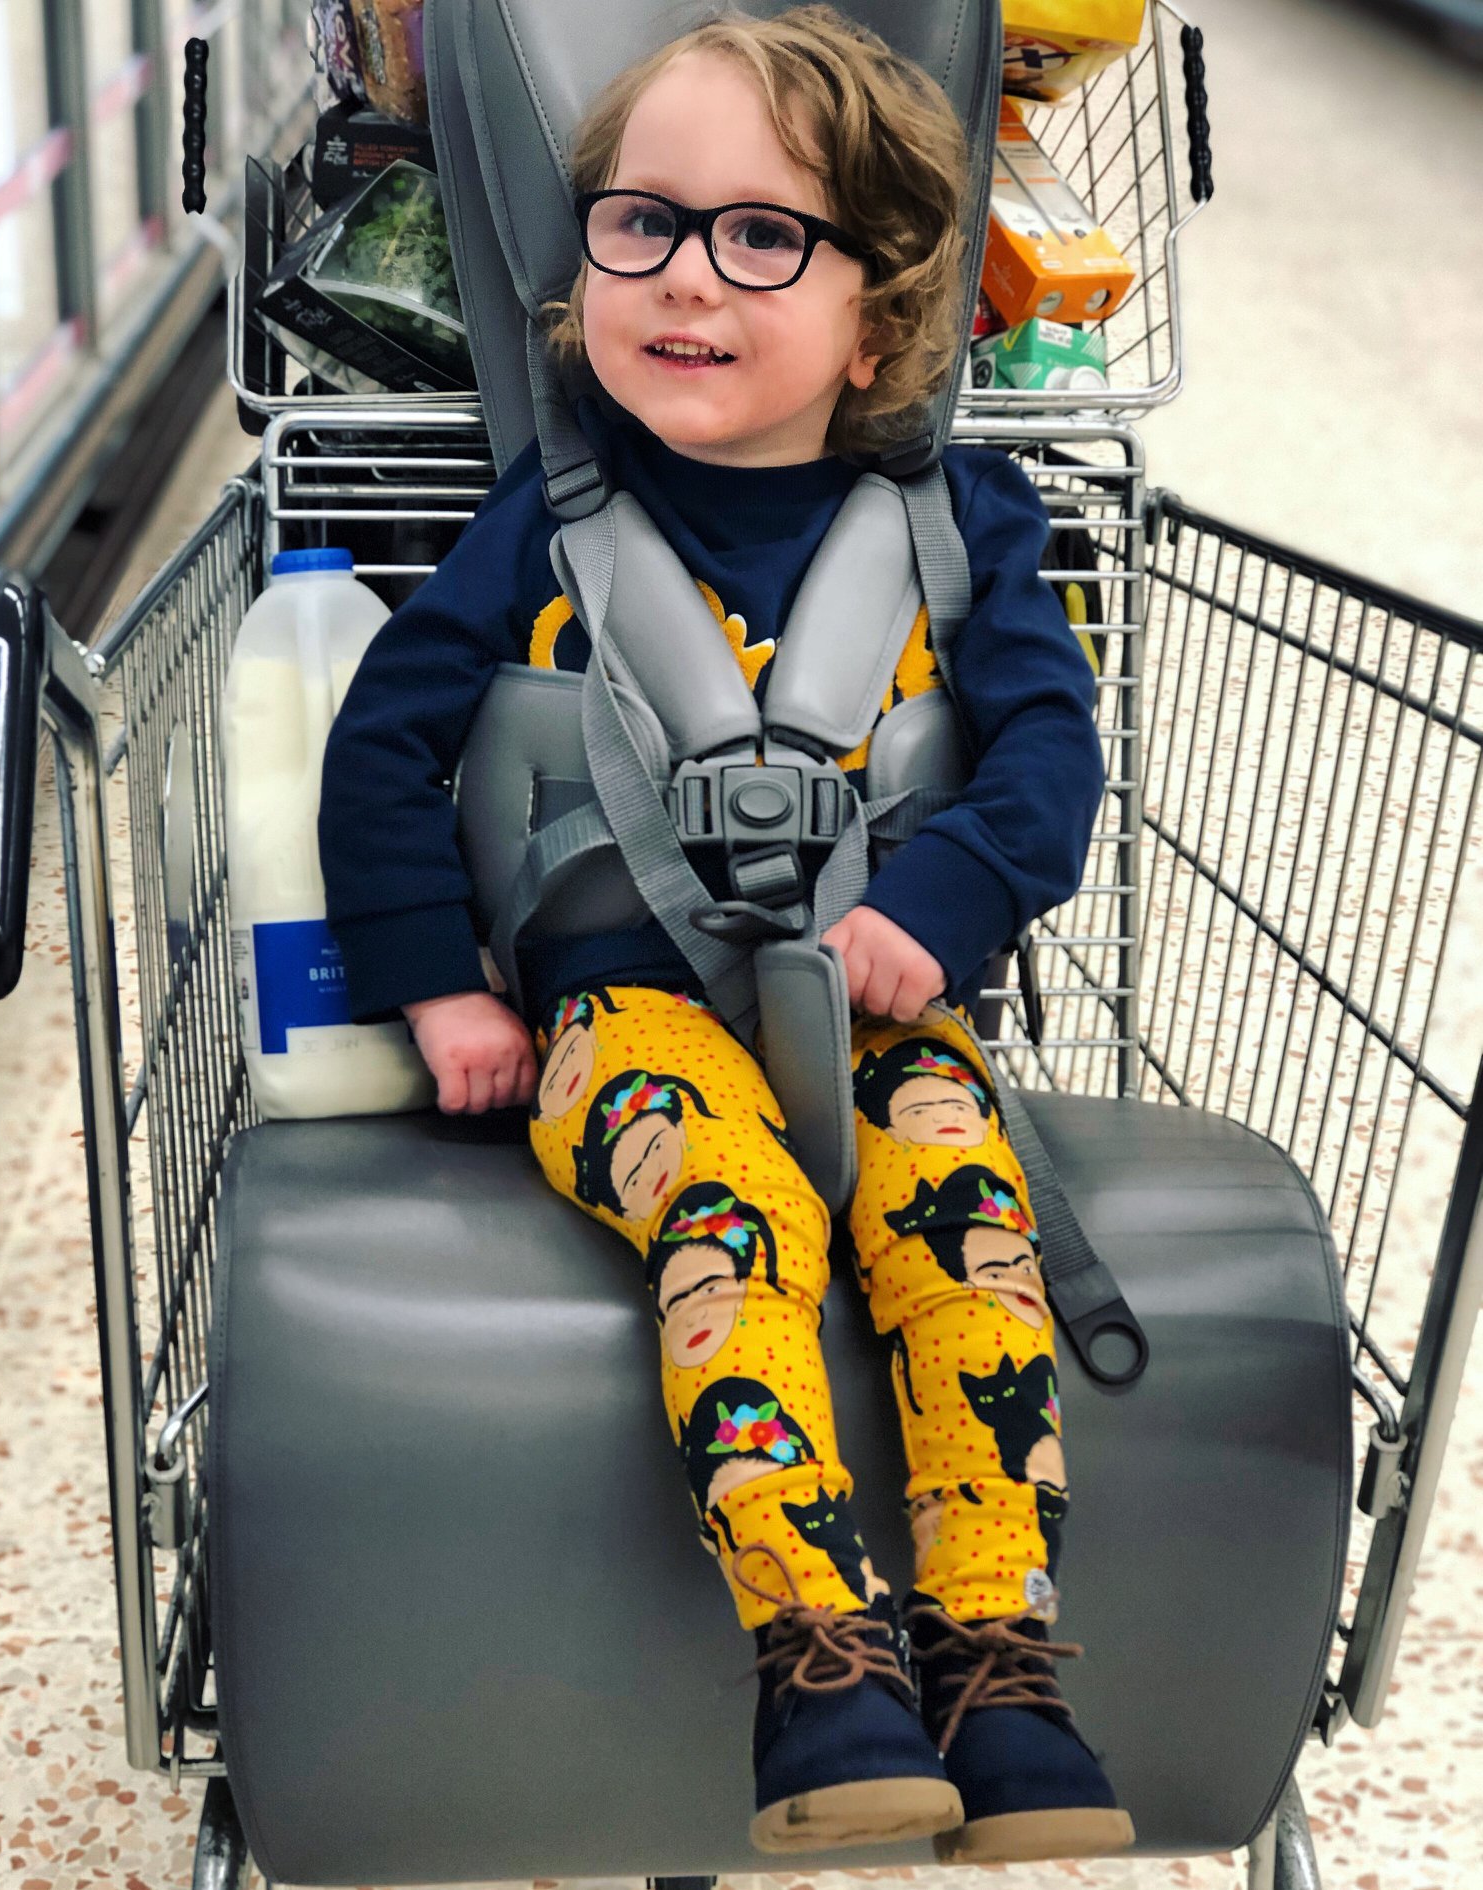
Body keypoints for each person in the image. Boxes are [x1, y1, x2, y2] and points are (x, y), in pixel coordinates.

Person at [319, 3, 1129, 1863]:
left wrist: (938, 906)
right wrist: (440, 980)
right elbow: (385, 747)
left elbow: (1045, 757)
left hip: (878, 1005)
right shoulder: (552, 523)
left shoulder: (963, 528)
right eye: (638, 222)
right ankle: (818, 1658)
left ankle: (998, 1652)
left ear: (887, 305)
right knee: (732, 1212)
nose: (687, 278)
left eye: (763, 236)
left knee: (964, 1233)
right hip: (630, 1018)